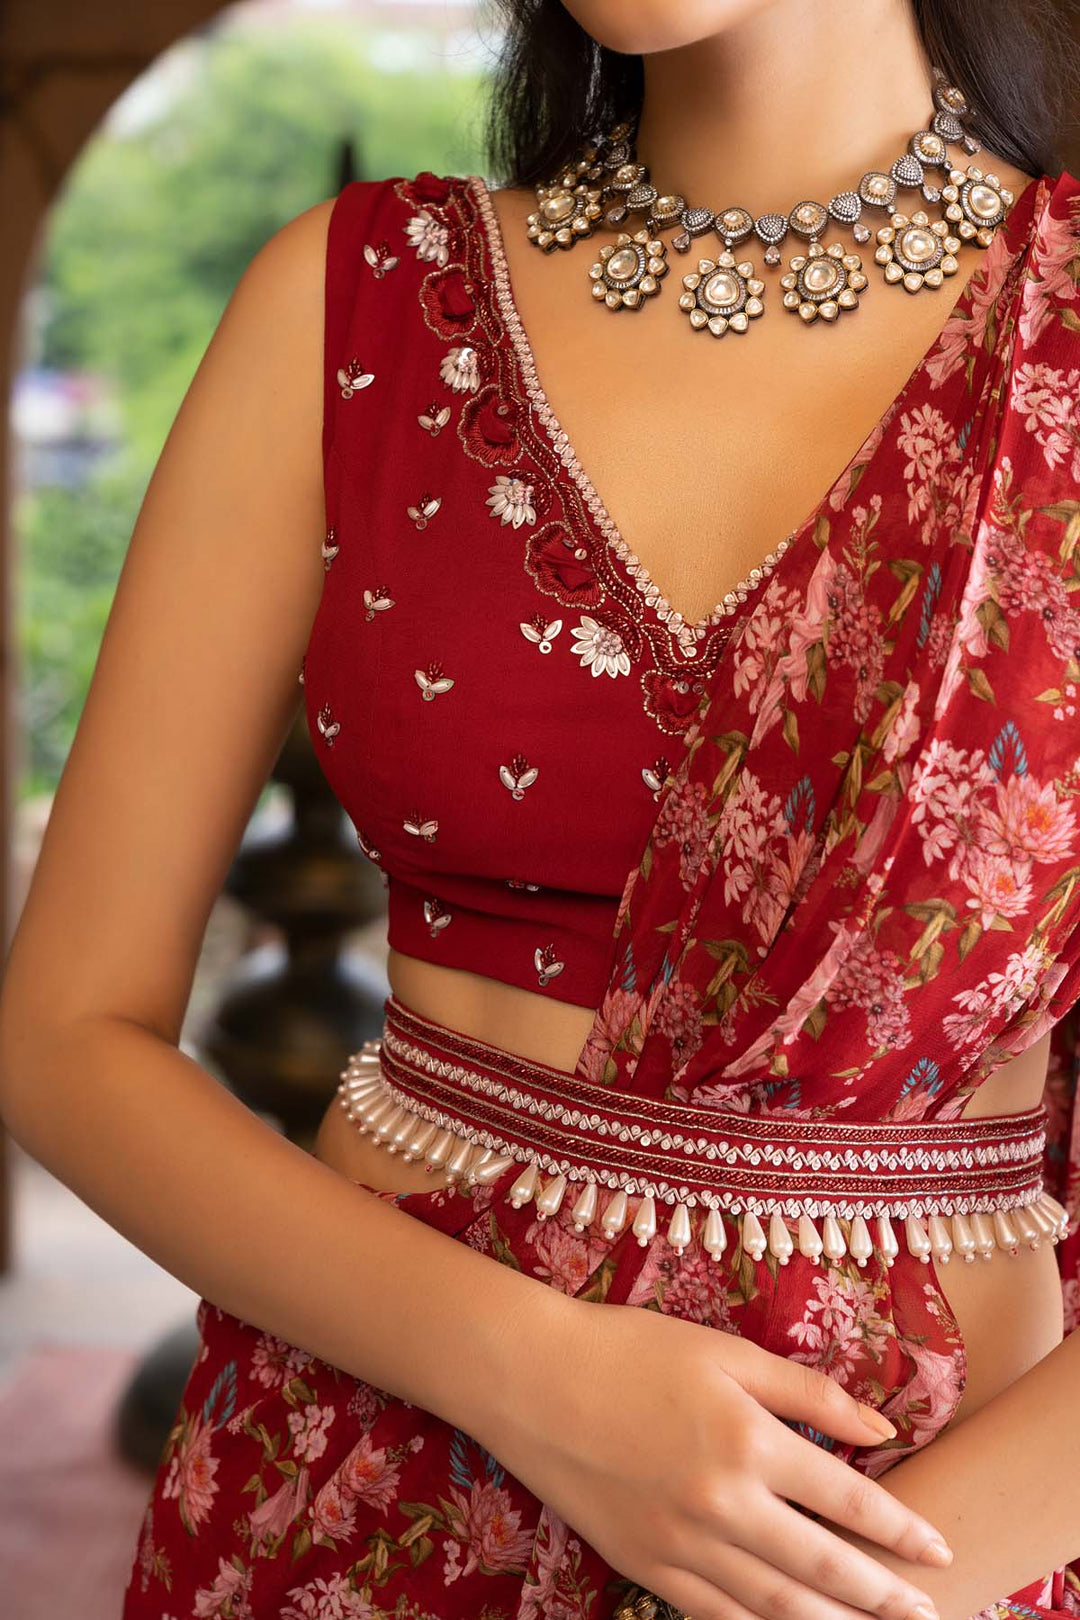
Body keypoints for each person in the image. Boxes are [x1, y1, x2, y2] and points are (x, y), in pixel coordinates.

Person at [1, 1, 1079, 1617]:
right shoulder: (355, 302)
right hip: (361, 1491)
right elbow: (66, 1033)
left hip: (928, 1535)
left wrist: (858, 1600)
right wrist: (539, 1379)